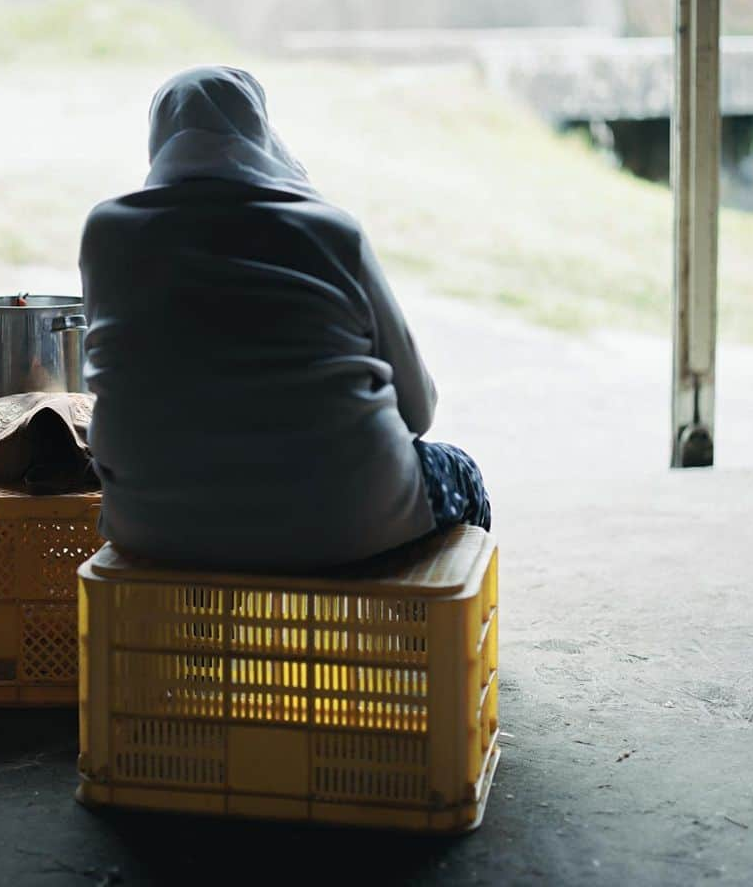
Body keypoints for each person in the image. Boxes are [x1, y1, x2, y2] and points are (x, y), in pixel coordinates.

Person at [78, 65, 490, 570]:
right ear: (261, 134)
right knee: (460, 473)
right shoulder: (329, 229)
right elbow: (418, 411)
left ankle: (196, 647)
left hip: (154, 529)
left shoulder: (107, 233)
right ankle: (409, 642)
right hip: (349, 525)